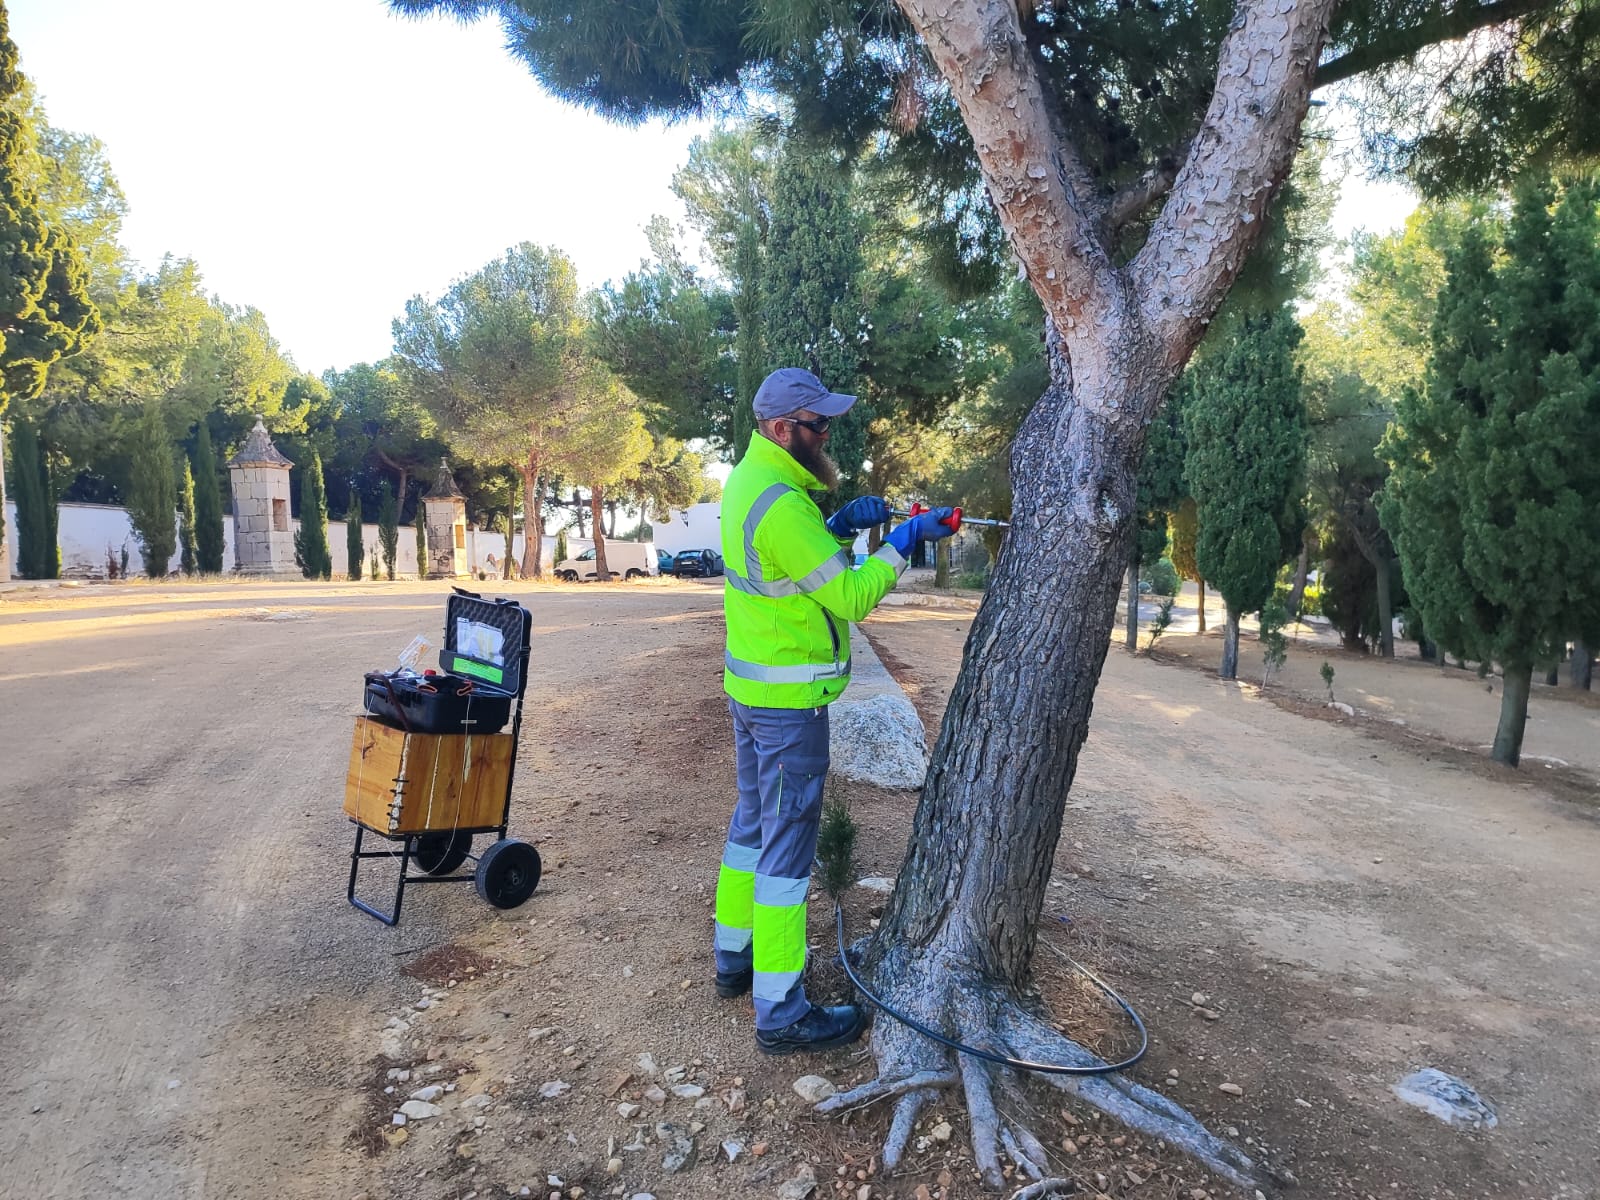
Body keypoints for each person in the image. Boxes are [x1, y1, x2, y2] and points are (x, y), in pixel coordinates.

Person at [712, 366, 956, 1055]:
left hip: (754, 691)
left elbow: (794, 569)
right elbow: (848, 597)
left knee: (752, 826)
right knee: (787, 850)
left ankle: (735, 957)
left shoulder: (753, 482)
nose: (827, 435)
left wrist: (841, 526)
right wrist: (903, 543)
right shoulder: (783, 506)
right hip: (788, 707)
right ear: (782, 428)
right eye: (818, 424)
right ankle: (781, 1011)